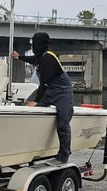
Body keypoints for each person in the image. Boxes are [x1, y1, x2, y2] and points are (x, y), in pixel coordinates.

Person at [11, 32, 74, 165]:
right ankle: (34, 147)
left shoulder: (49, 58)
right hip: (49, 90)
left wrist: (37, 101)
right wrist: (19, 57)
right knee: (29, 109)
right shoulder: (41, 56)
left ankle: (64, 155)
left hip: (62, 92)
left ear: (38, 44)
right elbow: (34, 60)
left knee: (62, 123)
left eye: (33, 44)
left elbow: (44, 83)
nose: (31, 46)